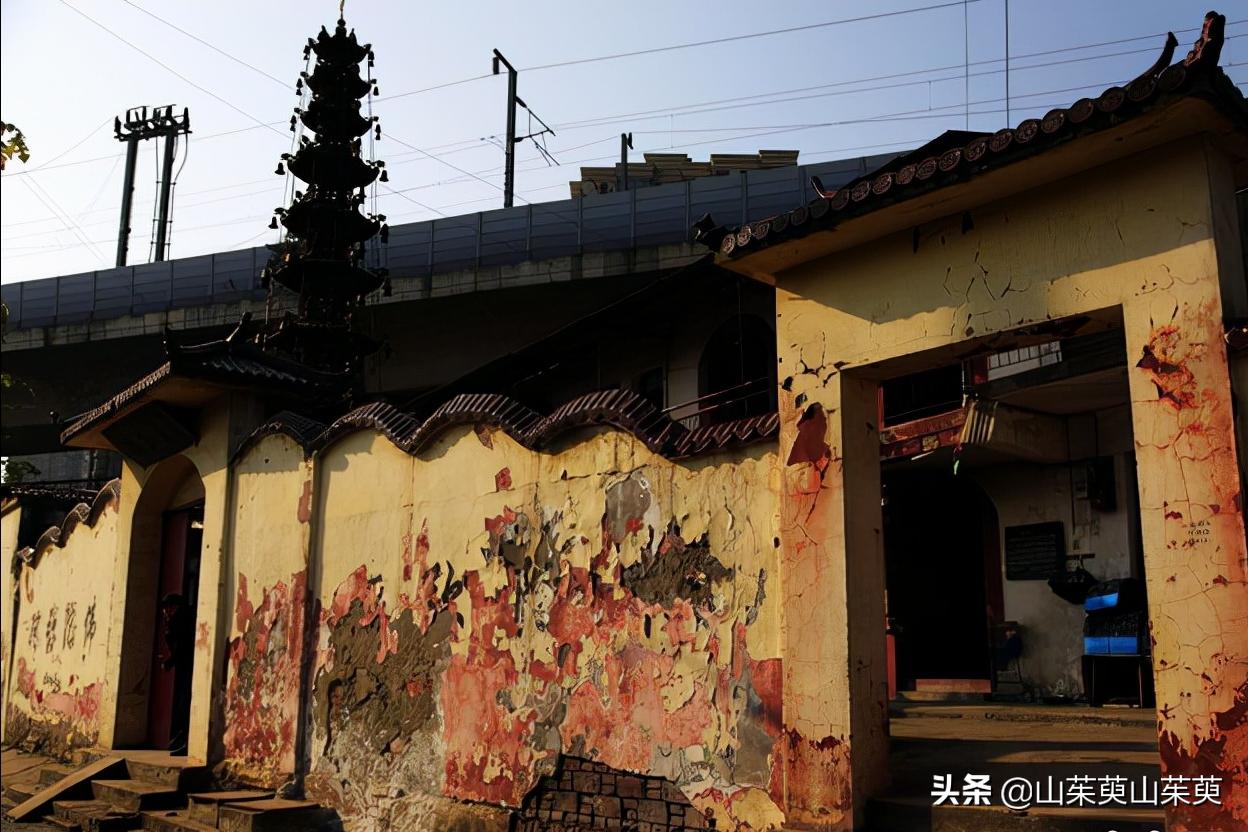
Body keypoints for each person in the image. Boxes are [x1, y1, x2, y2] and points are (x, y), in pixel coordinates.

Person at [159, 593, 193, 756]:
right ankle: (179, 741)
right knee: (182, 703)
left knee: (184, 704)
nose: (167, 611)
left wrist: (169, 662)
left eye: (169, 608)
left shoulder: (181, 621)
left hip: (187, 667)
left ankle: (182, 741)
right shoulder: (177, 620)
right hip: (183, 667)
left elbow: (181, 648)